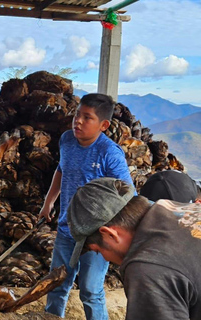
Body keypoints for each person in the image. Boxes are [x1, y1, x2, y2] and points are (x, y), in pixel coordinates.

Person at [38, 93, 133, 319]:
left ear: (104, 125)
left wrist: (114, 233)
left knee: (91, 291)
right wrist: (48, 202)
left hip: (95, 238)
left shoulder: (110, 154)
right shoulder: (67, 140)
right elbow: (61, 170)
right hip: (66, 230)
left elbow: (128, 194)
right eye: (77, 115)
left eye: (87, 117)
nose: (77, 121)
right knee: (57, 284)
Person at [68, 177, 201, 319]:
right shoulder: (175, 208)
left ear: (110, 234)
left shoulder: (147, 268)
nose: (104, 258)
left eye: (97, 251)